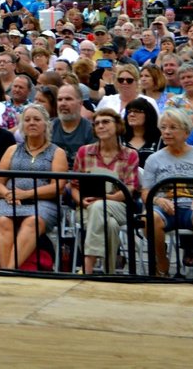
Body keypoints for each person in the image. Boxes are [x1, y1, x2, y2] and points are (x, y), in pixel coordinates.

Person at [142, 110, 193, 278]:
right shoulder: (154, 159)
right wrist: (157, 199)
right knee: (149, 217)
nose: (167, 132)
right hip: (165, 208)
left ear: (186, 132)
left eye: (173, 127)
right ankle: (162, 263)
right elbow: (145, 192)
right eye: (163, 128)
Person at [0, 104, 66, 269]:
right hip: (10, 201)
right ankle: (7, 271)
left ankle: (8, 270)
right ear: (21, 126)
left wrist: (26, 194)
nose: (31, 123)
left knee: (32, 221)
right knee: (3, 220)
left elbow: (58, 186)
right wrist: (8, 194)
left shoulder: (57, 152)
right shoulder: (12, 150)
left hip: (43, 203)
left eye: (37, 119)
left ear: (46, 124)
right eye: (27, 120)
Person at [72, 109, 140, 274]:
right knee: (109, 224)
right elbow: (74, 185)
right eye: (97, 124)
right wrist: (81, 201)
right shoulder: (84, 152)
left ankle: (87, 265)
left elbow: (130, 188)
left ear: (117, 126)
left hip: (119, 206)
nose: (101, 126)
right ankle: (109, 272)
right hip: (87, 208)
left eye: (106, 122)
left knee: (99, 207)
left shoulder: (130, 154)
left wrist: (104, 198)